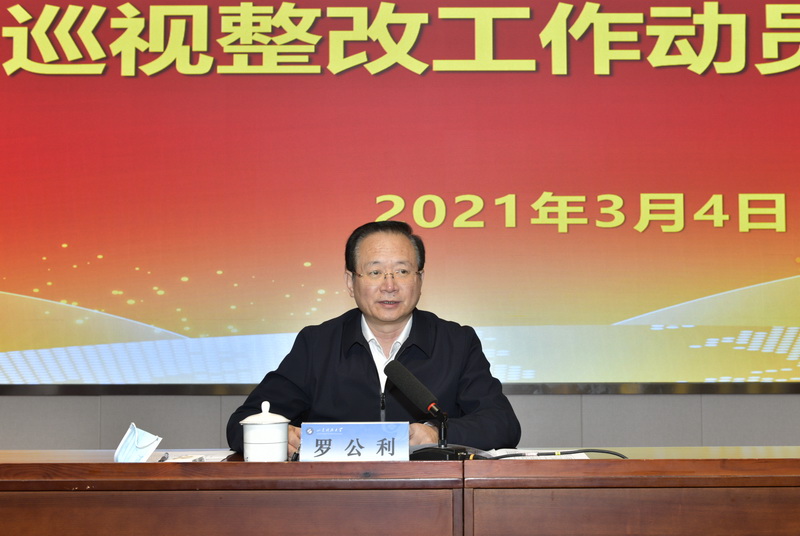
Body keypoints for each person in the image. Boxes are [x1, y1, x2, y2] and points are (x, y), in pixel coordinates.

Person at [227, 221, 521, 456]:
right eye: (375, 271)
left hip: (428, 493)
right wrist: (281, 435)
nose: (389, 285)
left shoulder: (456, 342)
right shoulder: (317, 344)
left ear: (420, 280)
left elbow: (503, 424)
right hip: (335, 496)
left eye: (402, 271)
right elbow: (241, 424)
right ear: (350, 282)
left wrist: (436, 434)